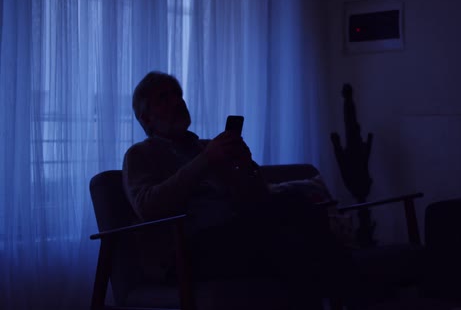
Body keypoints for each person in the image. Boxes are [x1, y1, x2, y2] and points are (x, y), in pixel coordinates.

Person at [122, 71, 358, 309]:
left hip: (235, 235)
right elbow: (148, 206)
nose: (177, 102)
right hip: (187, 249)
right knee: (290, 230)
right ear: (146, 118)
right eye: (164, 98)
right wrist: (204, 161)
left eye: (178, 95)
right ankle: (352, 297)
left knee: (293, 225)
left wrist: (246, 165)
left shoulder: (206, 147)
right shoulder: (140, 155)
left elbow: (258, 198)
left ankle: (344, 298)